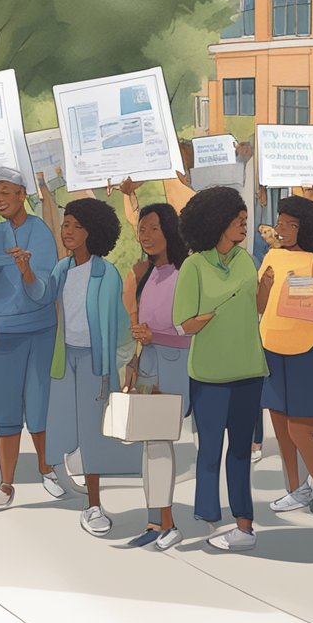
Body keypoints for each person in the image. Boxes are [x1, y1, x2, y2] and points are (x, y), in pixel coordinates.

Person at [175, 187, 268, 552]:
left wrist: (267, 288)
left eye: (245, 220)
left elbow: (255, 307)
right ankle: (208, 516)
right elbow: (183, 323)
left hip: (248, 370)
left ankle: (244, 524)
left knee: (242, 451)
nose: (244, 225)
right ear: (216, 222)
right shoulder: (193, 266)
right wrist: (209, 317)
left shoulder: (247, 261)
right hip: (210, 376)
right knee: (210, 450)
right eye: (237, 220)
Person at [0, 166, 61, 511]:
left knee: (39, 405)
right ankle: (6, 484)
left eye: (6, 192)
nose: (0, 199)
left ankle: (46, 469)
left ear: (22, 195)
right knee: (5, 409)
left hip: (39, 330)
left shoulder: (41, 232)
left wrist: (25, 271)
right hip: (5, 331)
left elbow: (45, 290)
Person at [44, 198, 138, 536]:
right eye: (65, 224)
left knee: (94, 434)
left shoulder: (106, 274)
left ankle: (94, 505)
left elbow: (119, 326)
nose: (67, 231)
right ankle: (60, 469)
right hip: (63, 359)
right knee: (61, 422)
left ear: (92, 232)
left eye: (75, 226)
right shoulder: (60, 269)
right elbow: (44, 302)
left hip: (95, 363)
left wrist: (117, 367)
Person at [259, 195, 313, 515]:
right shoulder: (270, 257)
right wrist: (264, 284)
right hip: (270, 347)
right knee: (280, 427)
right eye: (279, 222)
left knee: (299, 428)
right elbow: (259, 306)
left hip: (305, 349)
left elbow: (307, 308)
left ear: (303, 229)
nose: (279, 228)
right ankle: (295, 488)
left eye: (287, 224)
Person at [119, 203, 192, 551]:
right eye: (142, 230)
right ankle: (155, 522)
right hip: (148, 365)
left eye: (153, 228)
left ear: (169, 230)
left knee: (159, 446)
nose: (146, 236)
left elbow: (192, 332)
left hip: (175, 366)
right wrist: (134, 361)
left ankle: (168, 524)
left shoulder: (186, 272)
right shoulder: (146, 274)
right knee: (150, 447)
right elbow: (142, 327)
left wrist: (156, 339)